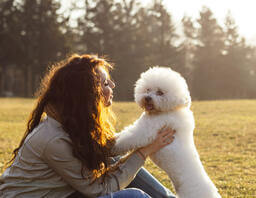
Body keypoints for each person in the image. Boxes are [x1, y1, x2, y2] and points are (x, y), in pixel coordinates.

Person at [0, 54, 177, 198]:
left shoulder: (71, 122)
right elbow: (99, 190)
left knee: (111, 159)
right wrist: (143, 152)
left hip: (63, 193)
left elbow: (107, 148)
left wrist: (145, 134)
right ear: (87, 94)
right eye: (106, 84)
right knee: (135, 197)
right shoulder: (54, 140)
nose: (113, 86)